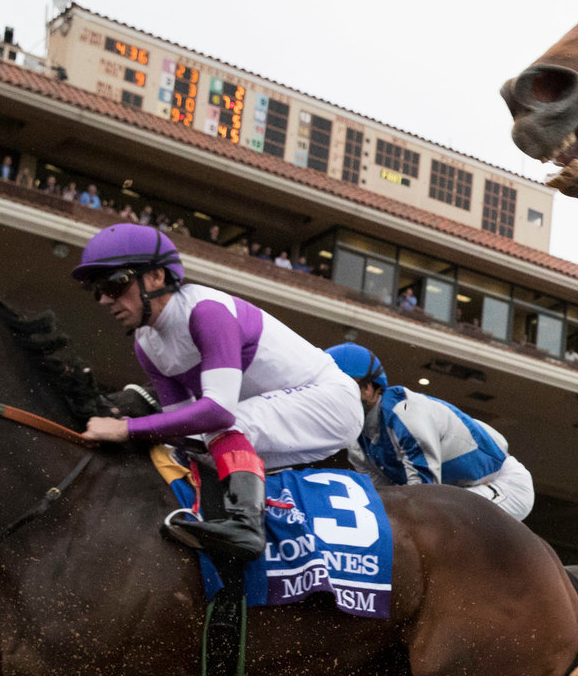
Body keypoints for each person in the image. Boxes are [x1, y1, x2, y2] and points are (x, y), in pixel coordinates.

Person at [72, 223, 361, 560]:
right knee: (199, 450)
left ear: (156, 278)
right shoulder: (146, 344)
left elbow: (218, 412)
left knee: (225, 427)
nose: (106, 299)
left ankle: (246, 527)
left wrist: (127, 429)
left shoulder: (206, 312)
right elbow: (182, 429)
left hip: (330, 400)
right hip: (277, 410)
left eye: (115, 284)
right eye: (97, 290)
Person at [324, 343, 534, 520]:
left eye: (340, 387)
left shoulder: (406, 416)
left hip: (505, 484)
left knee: (439, 517)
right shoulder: (356, 440)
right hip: (453, 492)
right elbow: (382, 497)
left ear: (369, 387)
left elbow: (424, 497)